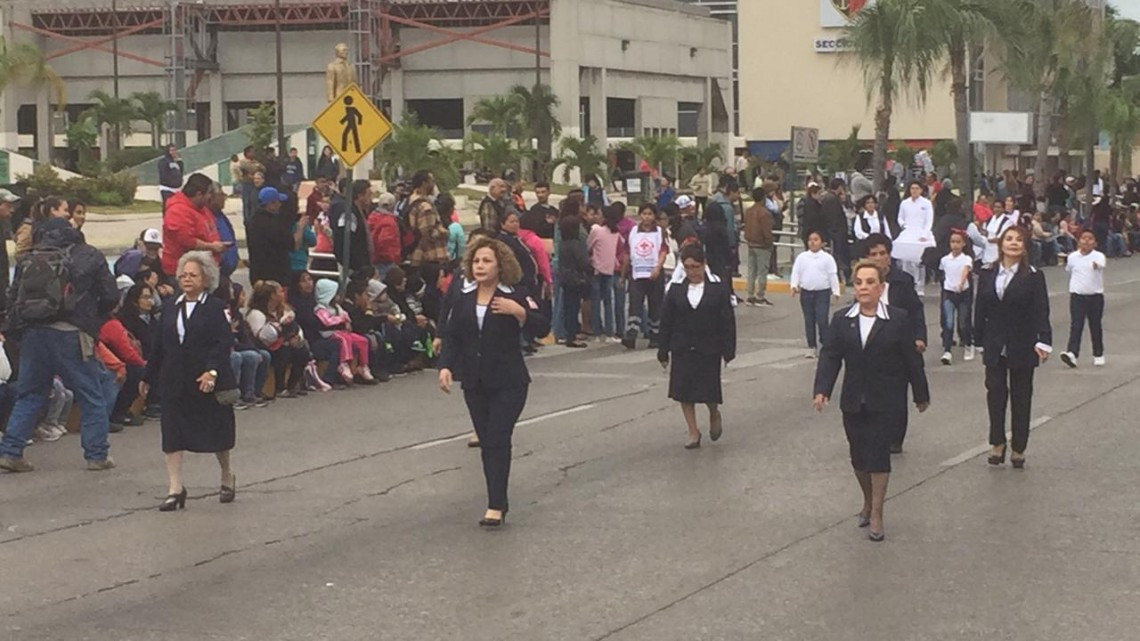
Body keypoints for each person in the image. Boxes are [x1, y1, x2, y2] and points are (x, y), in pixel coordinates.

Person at [813, 259, 931, 542]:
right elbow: (830, 356)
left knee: (878, 456)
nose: (864, 287)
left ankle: (877, 512)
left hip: (886, 399)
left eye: (870, 282)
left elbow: (911, 360)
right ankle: (867, 499)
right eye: (859, 282)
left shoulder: (898, 319)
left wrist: (920, 393)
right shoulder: (842, 320)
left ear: (881, 287)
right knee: (858, 456)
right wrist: (822, 390)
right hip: (854, 398)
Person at [437, 236, 550, 527]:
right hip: (475, 381)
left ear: (500, 265)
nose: (480, 266)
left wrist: (520, 312)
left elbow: (543, 325)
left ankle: (496, 505)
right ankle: (496, 496)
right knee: (488, 442)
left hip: (509, 381)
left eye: (487, 261)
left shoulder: (515, 293)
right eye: (476, 261)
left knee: (499, 438)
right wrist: (446, 367)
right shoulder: (464, 298)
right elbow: (453, 335)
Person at [0, 217, 120, 473]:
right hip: (72, 334)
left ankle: (11, 452)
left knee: (30, 394)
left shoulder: (30, 258)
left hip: (34, 334)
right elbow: (110, 295)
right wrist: (92, 320)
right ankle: (96, 455)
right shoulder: (89, 255)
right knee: (92, 394)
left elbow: (13, 297)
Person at [142, 251, 238, 511]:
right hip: (174, 379)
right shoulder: (171, 305)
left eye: (192, 275)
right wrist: (148, 377)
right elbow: (159, 345)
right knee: (172, 433)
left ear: (205, 279)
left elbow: (222, 343)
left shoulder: (216, 308)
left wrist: (212, 372)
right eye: (183, 275)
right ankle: (175, 488)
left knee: (217, 431)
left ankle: (226, 474)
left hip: (204, 379)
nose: (186, 279)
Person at [975, 226, 1052, 469]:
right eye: (1009, 239)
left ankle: (1019, 446)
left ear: (1025, 246)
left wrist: (1044, 340)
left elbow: (1042, 309)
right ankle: (997, 442)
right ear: (1001, 244)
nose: (1013, 243)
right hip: (995, 343)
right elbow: (980, 309)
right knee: (995, 394)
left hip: (1023, 342)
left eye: (1019, 240)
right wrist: (977, 340)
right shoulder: (988, 272)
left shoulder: (1033, 275)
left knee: (1021, 395)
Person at [656, 245, 736, 449]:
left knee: (708, 390)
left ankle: (713, 413)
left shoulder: (718, 289)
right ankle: (693, 431)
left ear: (704, 265)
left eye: (696, 266)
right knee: (683, 391)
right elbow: (666, 322)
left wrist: (728, 350)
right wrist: (663, 350)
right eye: (688, 267)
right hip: (682, 346)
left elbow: (727, 321)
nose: (692, 271)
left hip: (709, 347)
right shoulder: (675, 290)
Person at [247, 280, 310, 399]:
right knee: (283, 351)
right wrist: (280, 325)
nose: (283, 293)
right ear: (272, 296)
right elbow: (261, 338)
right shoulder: (257, 314)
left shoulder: (284, 310)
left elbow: (297, 327)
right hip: (267, 347)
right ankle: (280, 387)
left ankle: (292, 384)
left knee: (302, 351)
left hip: (284, 343)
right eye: (280, 291)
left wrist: (297, 338)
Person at [314, 278, 377, 384]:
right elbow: (327, 322)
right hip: (328, 333)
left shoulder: (337, 307)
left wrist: (347, 321)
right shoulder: (320, 309)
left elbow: (345, 315)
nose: (338, 297)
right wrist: (341, 320)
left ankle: (363, 365)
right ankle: (343, 363)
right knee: (344, 339)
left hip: (341, 331)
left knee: (362, 341)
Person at [1060, 228, 1106, 368]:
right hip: (1077, 296)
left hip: (1095, 296)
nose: (1086, 241)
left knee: (1095, 325)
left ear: (1095, 243)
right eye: (1083, 238)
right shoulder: (1073, 257)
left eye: (1090, 238)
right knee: (1076, 325)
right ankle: (1072, 353)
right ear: (1078, 241)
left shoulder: (1098, 256)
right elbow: (1069, 270)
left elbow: (1101, 265)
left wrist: (1095, 265)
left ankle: (1098, 354)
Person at [790, 230, 841, 358]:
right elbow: (796, 272)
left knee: (822, 319)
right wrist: (794, 285)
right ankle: (811, 346)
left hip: (822, 293)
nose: (812, 242)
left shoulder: (827, 259)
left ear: (822, 243)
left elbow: (832, 275)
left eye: (816, 239)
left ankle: (826, 344)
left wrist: (836, 291)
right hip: (806, 293)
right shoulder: (802, 257)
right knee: (809, 320)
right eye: (810, 240)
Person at [162, 174, 225, 278]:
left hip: (204, 269)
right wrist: (211, 247)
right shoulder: (178, 211)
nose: (210, 197)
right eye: (209, 193)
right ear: (199, 194)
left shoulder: (201, 208)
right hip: (185, 273)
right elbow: (187, 241)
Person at [938, 230, 974, 365]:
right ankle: (947, 351)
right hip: (949, 293)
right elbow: (943, 274)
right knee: (948, 322)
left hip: (963, 294)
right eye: (953, 242)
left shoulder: (966, 259)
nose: (955, 245)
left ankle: (968, 344)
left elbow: (965, 270)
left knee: (963, 322)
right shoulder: (945, 260)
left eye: (958, 242)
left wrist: (961, 283)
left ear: (963, 244)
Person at [247, 186, 294, 286]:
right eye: (277, 202)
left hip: (257, 274)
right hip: (276, 276)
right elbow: (292, 244)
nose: (280, 205)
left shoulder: (252, 221)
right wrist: (301, 227)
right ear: (271, 204)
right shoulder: (274, 224)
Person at [587, 204, 621, 341]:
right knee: (608, 302)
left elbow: (588, 245)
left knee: (596, 302)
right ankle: (609, 332)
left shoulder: (597, 230)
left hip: (597, 269)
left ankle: (597, 333)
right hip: (609, 269)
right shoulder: (615, 232)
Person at [895, 180, 934, 295]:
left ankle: (919, 286)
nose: (914, 191)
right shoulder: (904, 203)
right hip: (907, 233)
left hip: (921, 233)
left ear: (921, 190)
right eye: (912, 188)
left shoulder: (926, 203)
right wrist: (904, 226)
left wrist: (924, 234)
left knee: (919, 261)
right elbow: (900, 218)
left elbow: (929, 221)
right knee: (906, 260)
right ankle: (907, 284)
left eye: (917, 188)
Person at [558, 215, 591, 349]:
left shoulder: (562, 243)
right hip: (576, 278)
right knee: (573, 307)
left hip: (565, 277)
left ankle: (568, 333)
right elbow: (583, 262)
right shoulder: (576, 244)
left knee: (568, 307)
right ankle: (572, 336)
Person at [405, 172, 450, 269]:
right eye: (432, 181)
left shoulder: (410, 201)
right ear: (424, 183)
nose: (434, 184)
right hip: (429, 257)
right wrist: (443, 232)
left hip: (416, 256)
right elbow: (427, 234)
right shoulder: (425, 207)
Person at [329, 180, 374, 276]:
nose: (371, 199)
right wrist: (352, 266)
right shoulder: (349, 215)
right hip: (353, 269)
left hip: (363, 266)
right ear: (359, 196)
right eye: (369, 195)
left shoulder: (361, 213)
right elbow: (342, 239)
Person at [742, 186, 775, 307]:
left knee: (751, 271)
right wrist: (769, 242)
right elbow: (767, 231)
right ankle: (760, 296)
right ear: (763, 198)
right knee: (762, 271)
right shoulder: (764, 213)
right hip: (762, 245)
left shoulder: (749, 211)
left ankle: (750, 295)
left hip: (751, 243)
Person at [820, 179, 851, 284]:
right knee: (838, 256)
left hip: (836, 232)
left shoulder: (832, 198)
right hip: (836, 233)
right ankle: (838, 277)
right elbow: (833, 218)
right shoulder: (831, 199)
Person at [368, 192, 402, 275]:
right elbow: (385, 241)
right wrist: (392, 257)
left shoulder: (371, 217)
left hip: (373, 258)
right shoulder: (389, 222)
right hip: (386, 262)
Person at [158, 145, 184, 213]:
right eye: (172, 150)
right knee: (168, 206)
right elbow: (163, 174)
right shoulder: (163, 161)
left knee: (177, 206)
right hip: (167, 188)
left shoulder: (176, 162)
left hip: (177, 188)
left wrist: (179, 161)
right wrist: (171, 182)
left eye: (175, 150)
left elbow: (181, 172)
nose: (174, 152)